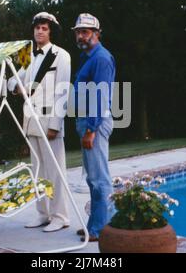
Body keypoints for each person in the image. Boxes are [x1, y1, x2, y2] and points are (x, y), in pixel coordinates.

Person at [8, 12, 71, 232]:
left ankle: (60, 216)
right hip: (31, 121)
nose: (39, 31)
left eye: (44, 28)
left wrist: (55, 124)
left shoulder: (61, 55)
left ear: (51, 31)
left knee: (54, 171)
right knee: (37, 171)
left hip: (49, 121)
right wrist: (17, 86)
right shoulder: (29, 55)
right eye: (37, 28)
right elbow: (13, 80)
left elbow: (62, 93)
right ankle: (43, 214)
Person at [71, 13, 116, 242]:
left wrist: (91, 129)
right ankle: (95, 225)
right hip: (87, 122)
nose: (81, 35)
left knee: (100, 179)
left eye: (86, 32)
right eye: (78, 31)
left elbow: (100, 96)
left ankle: (103, 229)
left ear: (97, 34)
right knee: (92, 179)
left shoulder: (101, 58)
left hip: (94, 124)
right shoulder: (87, 56)